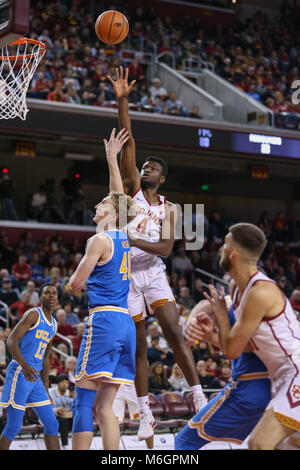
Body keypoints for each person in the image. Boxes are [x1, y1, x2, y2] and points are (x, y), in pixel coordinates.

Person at [108, 66, 207, 443]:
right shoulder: (132, 187)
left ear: (161, 179)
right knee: (140, 346)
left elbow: (166, 249)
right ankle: (146, 411)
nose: (145, 169)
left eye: (152, 168)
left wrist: (131, 242)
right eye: (145, 166)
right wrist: (122, 101)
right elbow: (129, 140)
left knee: (175, 333)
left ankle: (198, 397)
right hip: (126, 277)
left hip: (152, 270)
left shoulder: (171, 208)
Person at [179, 223, 300, 450]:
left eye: (224, 244)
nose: (220, 250)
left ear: (232, 252)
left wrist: (222, 317)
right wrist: (210, 336)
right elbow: (243, 347)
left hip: (295, 370)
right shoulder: (237, 287)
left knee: (260, 443)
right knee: (280, 445)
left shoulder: (260, 292)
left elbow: (232, 351)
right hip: (282, 375)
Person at [69, 127, 138, 451]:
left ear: (110, 213)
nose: (98, 203)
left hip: (105, 321)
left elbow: (75, 284)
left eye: (102, 203)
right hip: (126, 324)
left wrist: (76, 286)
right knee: (104, 408)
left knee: (83, 402)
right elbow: (119, 197)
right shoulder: (123, 235)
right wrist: (112, 159)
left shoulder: (98, 239)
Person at [175, 293, 271, 449]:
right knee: (267, 443)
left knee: (184, 441)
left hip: (249, 386)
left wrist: (210, 336)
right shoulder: (275, 305)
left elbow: (239, 348)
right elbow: (205, 304)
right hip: (282, 387)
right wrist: (192, 319)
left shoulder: (252, 302)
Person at [0, 283, 60, 450]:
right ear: (40, 297)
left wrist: (46, 386)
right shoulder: (33, 314)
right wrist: (25, 366)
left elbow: (46, 356)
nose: (51, 296)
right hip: (20, 372)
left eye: (54, 293)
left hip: (35, 377)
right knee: (13, 426)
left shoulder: (54, 324)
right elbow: (11, 341)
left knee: (52, 425)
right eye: (47, 293)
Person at [49, 374, 74, 449]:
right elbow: (46, 409)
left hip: (66, 417)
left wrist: (75, 399)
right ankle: (65, 445)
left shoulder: (70, 393)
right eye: (62, 382)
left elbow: (73, 407)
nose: (65, 385)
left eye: (66, 382)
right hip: (53, 417)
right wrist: (57, 410)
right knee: (64, 421)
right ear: (58, 383)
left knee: (78, 420)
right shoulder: (50, 392)